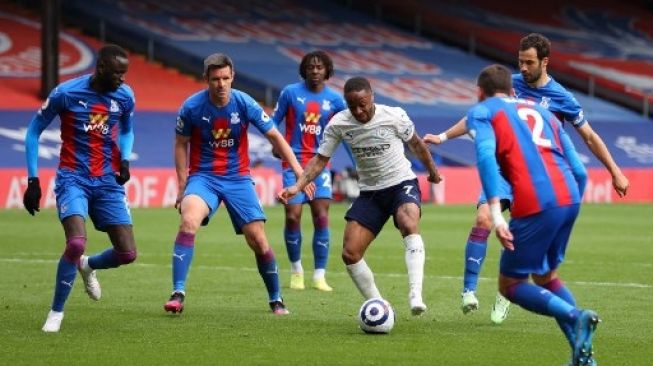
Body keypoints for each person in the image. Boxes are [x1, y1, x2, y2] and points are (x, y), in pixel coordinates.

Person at [424, 32, 630, 324]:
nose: (523, 68)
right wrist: (443, 136)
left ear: (545, 62)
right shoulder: (510, 85)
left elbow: (590, 137)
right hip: (506, 166)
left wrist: (615, 170)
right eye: (520, 61)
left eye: (529, 62)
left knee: (524, 249)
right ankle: (469, 291)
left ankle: (507, 292)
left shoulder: (561, 98)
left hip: (538, 175)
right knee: (483, 218)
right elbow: (478, 115)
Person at [468, 63, 599, 366]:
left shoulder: (484, 110)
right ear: (513, 91)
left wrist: (498, 217)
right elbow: (579, 169)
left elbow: (486, 156)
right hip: (569, 196)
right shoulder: (544, 111)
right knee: (545, 276)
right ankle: (584, 359)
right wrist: (568, 205)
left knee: (510, 285)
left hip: (536, 201)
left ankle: (576, 316)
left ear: (480, 92)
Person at [163, 53, 314, 316]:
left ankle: (276, 299)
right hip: (203, 178)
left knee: (258, 239)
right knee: (188, 220)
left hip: (238, 178)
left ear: (232, 77)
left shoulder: (244, 103)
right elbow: (180, 144)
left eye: (225, 78)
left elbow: (276, 137)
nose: (220, 84)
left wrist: (301, 173)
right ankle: (177, 293)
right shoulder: (191, 107)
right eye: (215, 79)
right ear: (206, 79)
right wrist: (182, 185)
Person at [278, 77, 442, 315]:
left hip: (401, 183)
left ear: (372, 97)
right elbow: (320, 160)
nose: (358, 110)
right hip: (370, 192)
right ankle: (381, 306)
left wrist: (433, 173)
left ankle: (415, 293)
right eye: (352, 105)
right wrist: (297, 186)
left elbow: (416, 144)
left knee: (409, 222)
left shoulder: (394, 115)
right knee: (350, 253)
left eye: (363, 104)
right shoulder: (339, 124)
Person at [23, 44, 137, 332]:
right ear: (100, 69)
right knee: (75, 243)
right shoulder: (66, 93)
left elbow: (126, 130)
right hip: (73, 177)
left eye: (125, 73)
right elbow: (33, 131)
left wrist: (124, 159)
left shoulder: (124, 96)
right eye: (117, 73)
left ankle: (88, 265)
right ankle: (56, 312)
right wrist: (33, 180)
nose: (122, 79)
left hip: (107, 180)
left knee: (127, 254)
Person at [270, 50, 346, 292]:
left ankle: (319, 275)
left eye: (320, 67)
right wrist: (277, 146)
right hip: (293, 160)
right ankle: (296, 271)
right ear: (304, 69)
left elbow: (349, 126)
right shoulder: (290, 93)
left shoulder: (335, 100)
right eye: (311, 67)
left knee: (321, 216)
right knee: (293, 214)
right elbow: (272, 122)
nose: (315, 71)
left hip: (320, 162)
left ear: (327, 71)